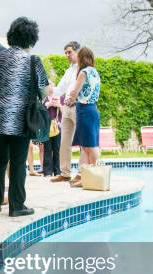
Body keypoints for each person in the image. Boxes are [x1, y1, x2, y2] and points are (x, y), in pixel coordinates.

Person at [0, 17, 48, 217]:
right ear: (32, 40)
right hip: (22, 119)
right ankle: (17, 206)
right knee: (18, 162)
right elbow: (44, 91)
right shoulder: (33, 61)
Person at [66, 47, 101, 187]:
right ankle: (86, 177)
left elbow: (76, 90)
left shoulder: (84, 72)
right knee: (86, 146)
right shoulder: (95, 72)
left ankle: (95, 176)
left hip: (85, 110)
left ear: (81, 58)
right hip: (92, 109)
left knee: (90, 146)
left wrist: (70, 99)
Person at [51, 41, 81, 184]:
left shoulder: (83, 69)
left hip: (78, 107)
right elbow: (58, 90)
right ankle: (65, 173)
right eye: (66, 53)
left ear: (77, 52)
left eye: (69, 52)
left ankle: (82, 173)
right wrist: (47, 88)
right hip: (67, 109)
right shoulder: (69, 71)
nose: (67, 55)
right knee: (64, 142)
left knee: (83, 141)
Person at [43, 84, 62, 177]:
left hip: (57, 127)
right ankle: (47, 172)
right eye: (49, 85)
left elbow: (64, 112)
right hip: (46, 127)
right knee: (47, 149)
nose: (51, 87)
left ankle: (57, 171)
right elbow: (40, 110)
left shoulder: (59, 98)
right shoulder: (44, 98)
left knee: (57, 149)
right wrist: (49, 104)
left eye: (52, 85)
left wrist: (58, 105)